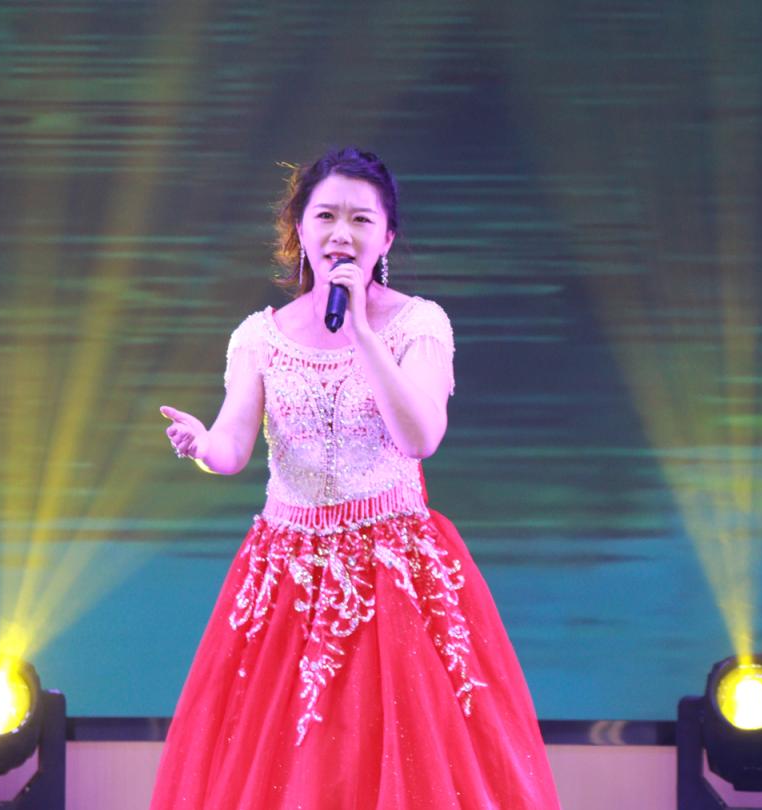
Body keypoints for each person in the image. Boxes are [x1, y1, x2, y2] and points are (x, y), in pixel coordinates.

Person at [151, 148, 560, 809]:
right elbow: (231, 447)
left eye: (361, 219)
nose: (341, 233)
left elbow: (420, 438)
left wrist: (364, 333)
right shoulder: (259, 337)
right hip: (285, 578)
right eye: (326, 216)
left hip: (392, 572)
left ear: (386, 237)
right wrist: (202, 446)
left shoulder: (419, 325)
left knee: (397, 756)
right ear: (300, 228)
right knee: (287, 764)